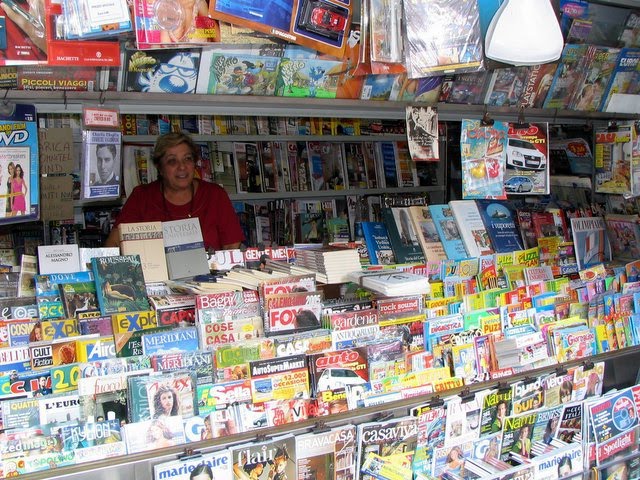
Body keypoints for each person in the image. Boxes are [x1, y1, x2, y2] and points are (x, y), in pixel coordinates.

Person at [105, 132, 244, 251]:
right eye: (172, 161)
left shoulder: (215, 195)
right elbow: (113, 245)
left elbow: (232, 246)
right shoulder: (142, 196)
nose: (182, 167)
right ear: (160, 168)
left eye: (187, 159)